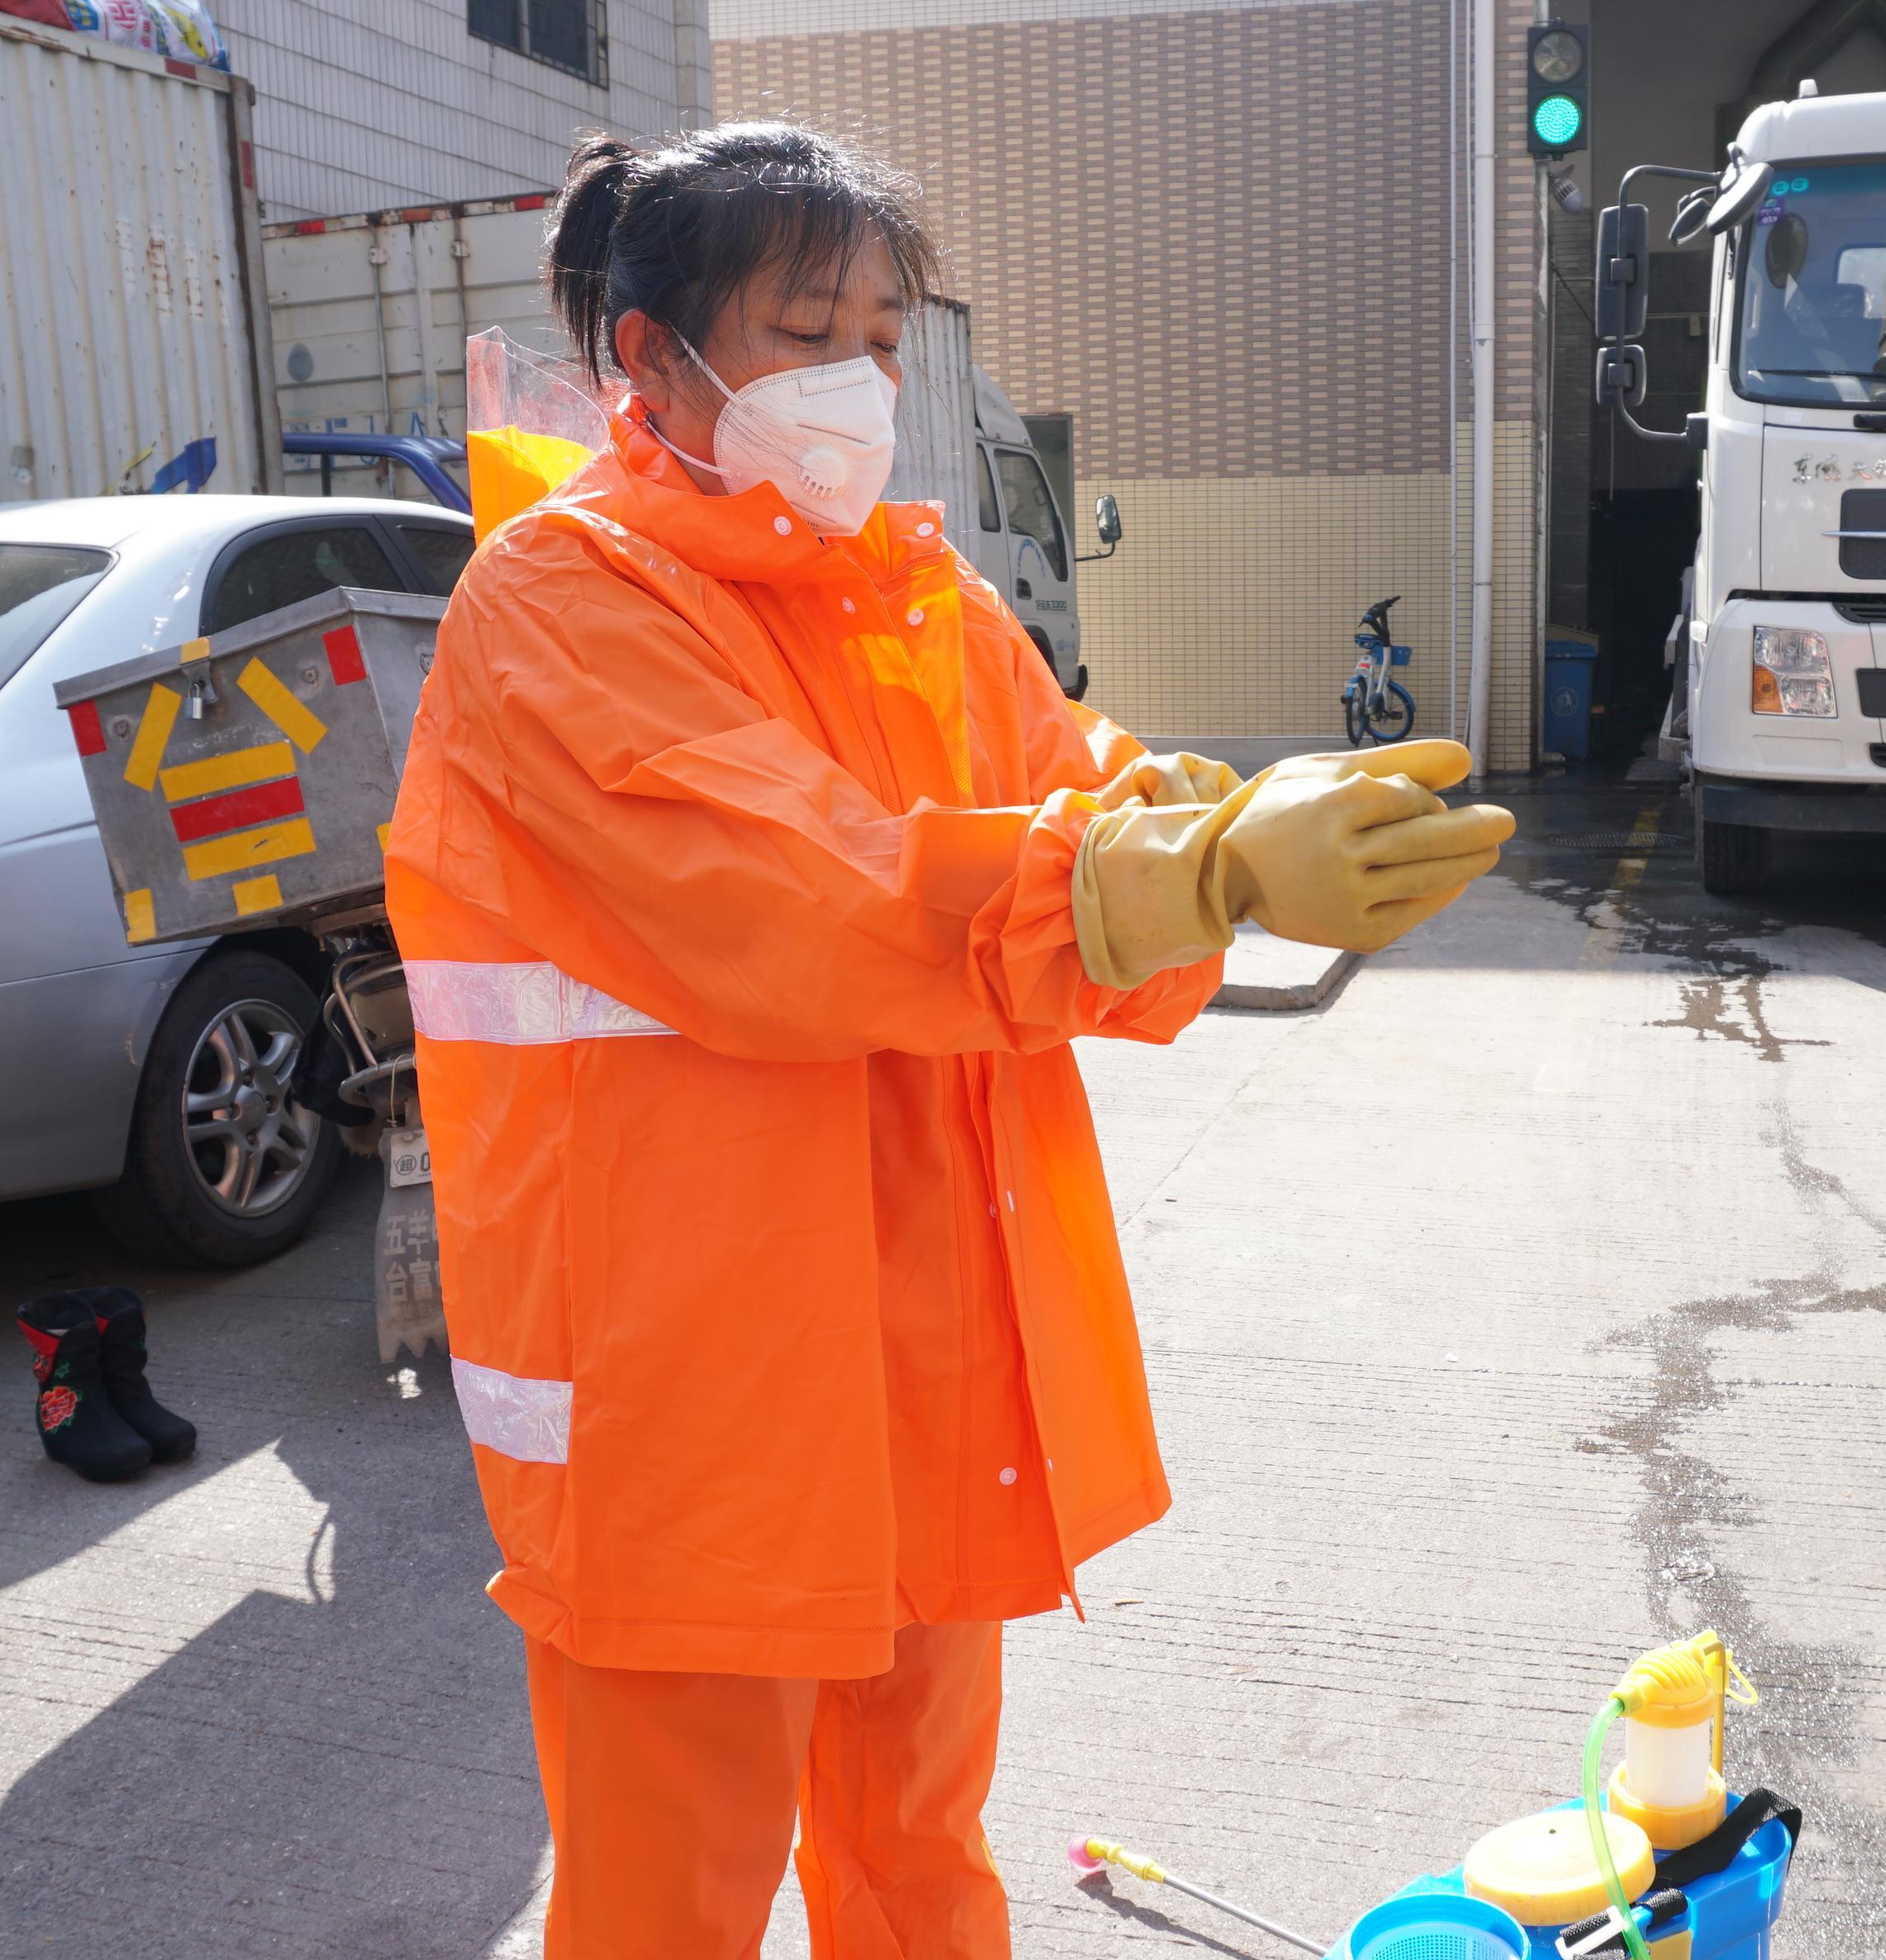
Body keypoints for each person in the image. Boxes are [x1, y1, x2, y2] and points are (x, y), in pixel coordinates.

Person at [382, 124, 1516, 1958]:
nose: (856, 380)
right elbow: (803, 902)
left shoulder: (923, 605)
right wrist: (1190, 874)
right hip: (691, 1404)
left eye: (883, 338)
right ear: (651, 355)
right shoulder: (560, 603)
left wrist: (1229, 821)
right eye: (802, 331)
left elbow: (1075, 792)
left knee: (917, 1855)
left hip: (920, 1360)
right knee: (667, 1902)